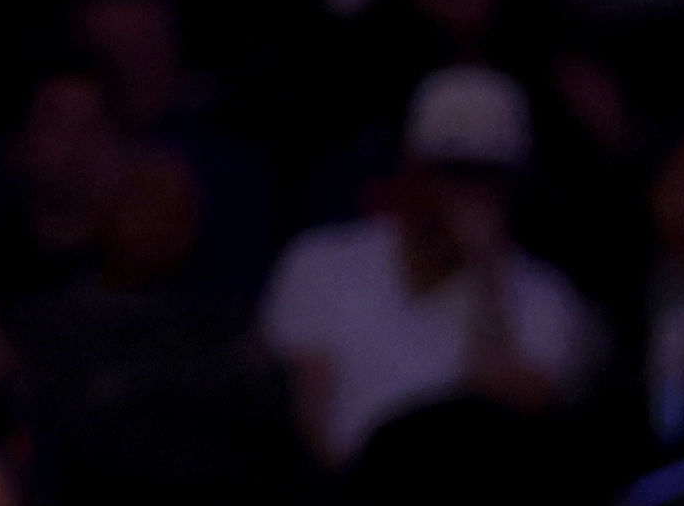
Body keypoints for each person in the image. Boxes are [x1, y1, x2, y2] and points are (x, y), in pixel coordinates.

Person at [256, 65, 605, 465]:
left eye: (487, 175)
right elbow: (311, 427)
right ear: (410, 166)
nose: (467, 193)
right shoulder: (320, 262)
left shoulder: (546, 296)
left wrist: (486, 278)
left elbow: (516, 418)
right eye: (451, 170)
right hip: (347, 501)